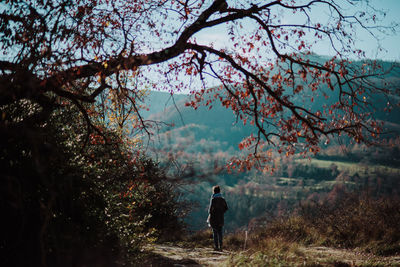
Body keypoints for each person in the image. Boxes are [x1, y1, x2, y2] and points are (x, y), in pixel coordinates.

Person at [207, 185, 228, 251]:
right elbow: (226, 208)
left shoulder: (213, 199)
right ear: (219, 191)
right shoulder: (223, 199)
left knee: (215, 233)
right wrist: (221, 212)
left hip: (214, 218)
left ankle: (216, 247)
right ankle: (221, 246)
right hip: (221, 218)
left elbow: (209, 210)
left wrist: (212, 214)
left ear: (214, 192)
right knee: (220, 233)